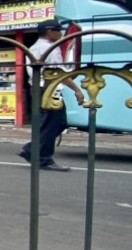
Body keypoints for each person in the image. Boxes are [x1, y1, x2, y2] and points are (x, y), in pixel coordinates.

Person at [17, 19, 85, 172]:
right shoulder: (51, 49)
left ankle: (32, 150)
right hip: (48, 88)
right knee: (54, 122)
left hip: (39, 88)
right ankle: (43, 158)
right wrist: (77, 90)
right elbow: (58, 74)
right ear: (49, 32)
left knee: (54, 123)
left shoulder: (34, 47)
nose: (61, 34)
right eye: (58, 30)